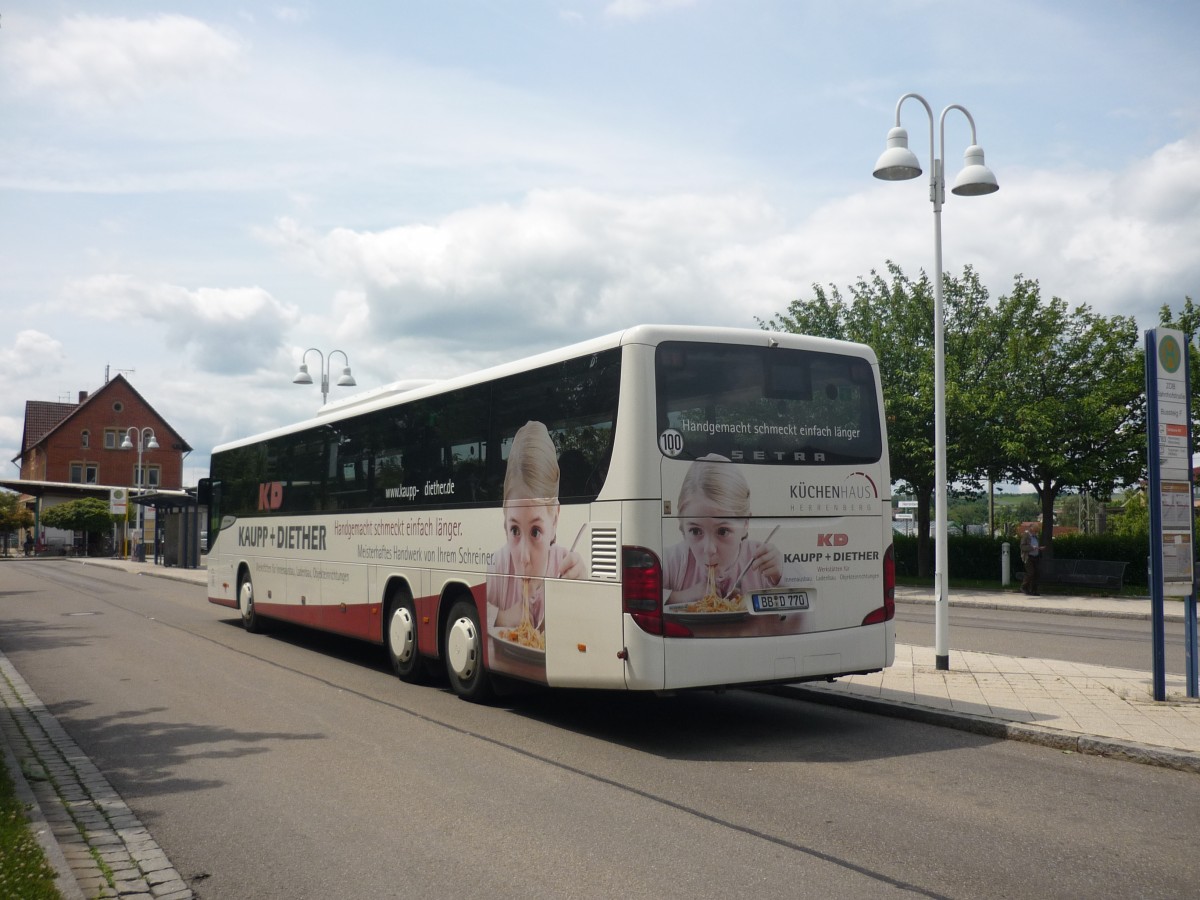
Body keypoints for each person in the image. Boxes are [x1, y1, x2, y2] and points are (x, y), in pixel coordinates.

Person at [487, 421, 584, 632]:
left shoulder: (567, 566)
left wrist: (583, 593)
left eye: (535, 532)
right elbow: (481, 612)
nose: (523, 557)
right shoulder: (497, 566)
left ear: (555, 520)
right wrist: (502, 616)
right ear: (504, 519)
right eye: (514, 531)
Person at [663, 454, 784, 605]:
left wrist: (780, 577)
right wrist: (682, 596)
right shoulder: (674, 561)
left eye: (722, 531)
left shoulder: (761, 560)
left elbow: (808, 596)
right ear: (682, 526)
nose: (709, 549)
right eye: (695, 531)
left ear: (745, 524)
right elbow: (637, 596)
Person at [1020, 526, 1041, 595]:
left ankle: (1033, 590)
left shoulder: (1036, 537)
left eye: (1037, 531)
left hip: (1036, 556)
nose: (1036, 533)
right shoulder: (1026, 536)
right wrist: (1032, 548)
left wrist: (1039, 548)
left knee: (1037, 573)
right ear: (1031, 530)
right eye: (1035, 531)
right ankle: (1024, 587)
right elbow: (1022, 547)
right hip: (1028, 557)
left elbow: (1036, 546)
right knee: (1031, 572)